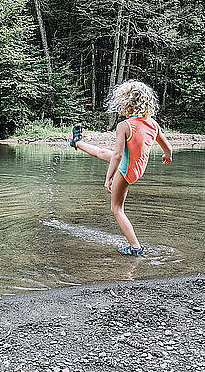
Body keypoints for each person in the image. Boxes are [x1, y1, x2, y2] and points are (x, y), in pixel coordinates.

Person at [69, 80, 172, 256]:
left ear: (125, 104)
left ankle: (136, 248)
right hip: (138, 166)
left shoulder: (124, 126)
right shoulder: (152, 124)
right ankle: (77, 142)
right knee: (102, 152)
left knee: (116, 209)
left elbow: (117, 156)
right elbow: (167, 146)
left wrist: (109, 178)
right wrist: (168, 155)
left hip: (126, 170)